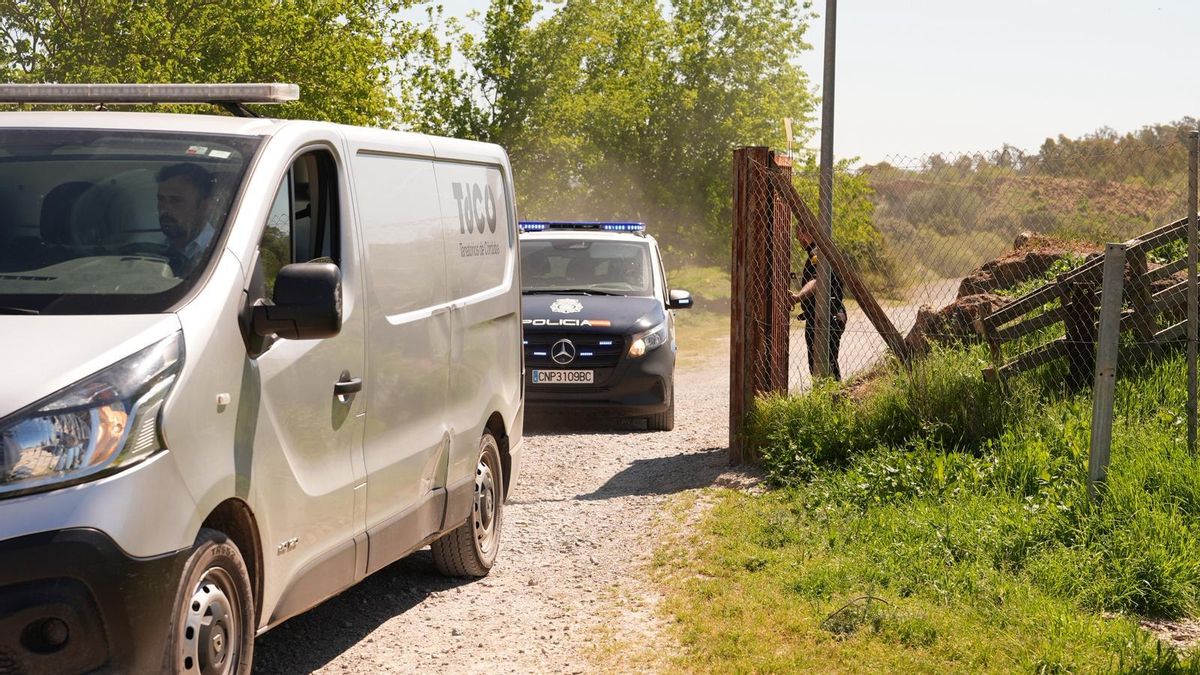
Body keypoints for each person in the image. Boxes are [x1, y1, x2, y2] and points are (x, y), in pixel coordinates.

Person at [791, 231, 847, 380]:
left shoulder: (817, 251)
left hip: (825, 316)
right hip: (826, 314)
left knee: (824, 366)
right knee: (827, 365)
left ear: (808, 232)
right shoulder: (820, 250)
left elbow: (817, 281)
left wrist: (798, 297)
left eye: (800, 233)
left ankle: (833, 399)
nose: (799, 239)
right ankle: (831, 397)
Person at [156, 162, 216, 275]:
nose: (165, 209)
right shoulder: (152, 247)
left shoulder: (218, 252)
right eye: (161, 199)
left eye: (176, 201)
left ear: (204, 207)